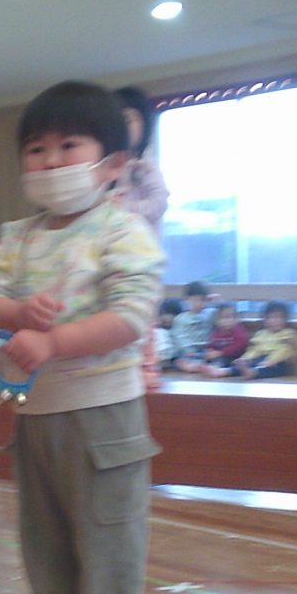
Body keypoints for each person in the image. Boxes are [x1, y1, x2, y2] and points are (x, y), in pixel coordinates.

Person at [0, 80, 164, 594]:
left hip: (104, 414)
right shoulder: (18, 236)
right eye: (36, 149)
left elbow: (131, 317)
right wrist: (14, 314)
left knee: (107, 532)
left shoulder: (123, 230)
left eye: (68, 146)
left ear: (112, 163)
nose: (51, 162)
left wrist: (54, 342)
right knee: (45, 534)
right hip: (36, 414)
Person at [111, 85, 169, 387]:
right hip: (114, 254)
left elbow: (159, 203)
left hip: (143, 255)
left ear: (144, 125)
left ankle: (147, 366)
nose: (123, 126)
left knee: (144, 311)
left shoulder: (145, 166)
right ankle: (120, 366)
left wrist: (126, 209)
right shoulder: (108, 166)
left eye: (129, 119)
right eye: (116, 120)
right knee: (117, 311)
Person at [232, 300, 297, 379]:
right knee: (251, 363)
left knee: (277, 367)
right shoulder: (261, 334)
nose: (275, 321)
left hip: (279, 361)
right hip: (261, 360)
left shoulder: (288, 333)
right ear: (265, 320)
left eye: (279, 317)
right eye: (271, 317)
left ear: (286, 319)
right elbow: (254, 349)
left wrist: (271, 361)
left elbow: (285, 350)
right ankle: (225, 371)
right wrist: (246, 359)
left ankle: (252, 373)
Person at [180, 301, 248, 375]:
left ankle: (214, 368)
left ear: (237, 319)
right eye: (224, 318)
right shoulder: (217, 331)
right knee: (200, 355)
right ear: (217, 320)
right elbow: (212, 343)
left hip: (232, 357)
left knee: (222, 360)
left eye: (232, 317)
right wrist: (209, 350)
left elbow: (240, 344)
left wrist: (220, 353)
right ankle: (194, 365)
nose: (229, 320)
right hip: (217, 354)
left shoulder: (237, 330)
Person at [169, 281, 213, 369]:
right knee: (179, 358)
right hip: (187, 351)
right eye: (195, 300)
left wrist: (217, 301)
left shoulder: (210, 314)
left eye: (203, 300)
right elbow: (179, 336)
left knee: (214, 357)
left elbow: (221, 310)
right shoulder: (181, 318)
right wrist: (188, 350)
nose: (199, 304)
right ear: (187, 300)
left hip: (205, 350)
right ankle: (190, 365)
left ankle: (200, 366)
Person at [155, 297, 184, 371]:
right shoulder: (157, 331)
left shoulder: (181, 331)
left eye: (172, 314)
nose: (166, 317)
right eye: (163, 314)